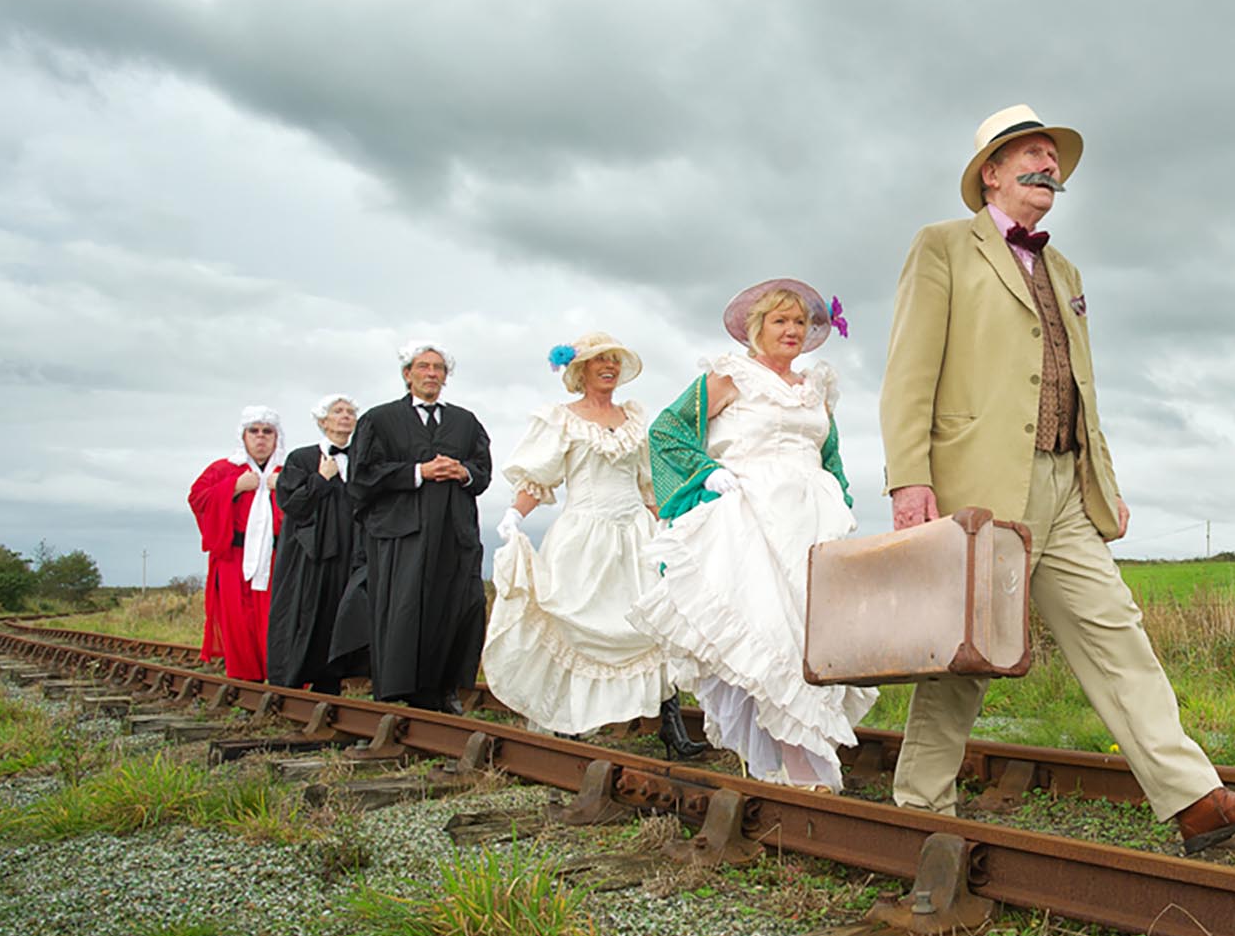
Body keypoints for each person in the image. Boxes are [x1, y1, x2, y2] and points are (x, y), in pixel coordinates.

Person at [880, 104, 1235, 854]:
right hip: (978, 486)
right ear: (991, 174)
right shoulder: (941, 247)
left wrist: (1105, 477)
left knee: (1116, 636)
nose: (1047, 166)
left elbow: (1080, 384)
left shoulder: (1064, 270)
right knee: (963, 662)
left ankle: (1195, 800)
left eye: (1053, 157)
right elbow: (909, 370)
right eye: (1029, 155)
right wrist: (909, 478)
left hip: (1066, 489)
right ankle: (921, 812)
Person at [629, 279, 868, 789]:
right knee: (770, 631)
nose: (791, 330)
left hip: (813, 519)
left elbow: (831, 455)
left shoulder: (817, 387)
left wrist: (842, 500)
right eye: (780, 321)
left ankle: (802, 760)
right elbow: (667, 431)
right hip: (752, 513)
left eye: (799, 322)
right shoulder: (730, 376)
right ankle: (802, 769)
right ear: (757, 328)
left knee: (815, 634)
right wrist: (707, 474)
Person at [483, 333, 697, 753]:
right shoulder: (560, 419)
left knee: (653, 620)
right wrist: (514, 515)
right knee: (577, 623)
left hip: (634, 531)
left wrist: (667, 525)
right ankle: (570, 725)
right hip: (584, 534)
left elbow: (647, 484)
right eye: (600, 361)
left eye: (614, 360)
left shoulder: (634, 418)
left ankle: (671, 725)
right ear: (580, 370)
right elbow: (538, 477)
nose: (609, 367)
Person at [348, 341, 492, 712]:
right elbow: (361, 477)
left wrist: (463, 472)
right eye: (424, 367)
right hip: (401, 535)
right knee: (403, 610)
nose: (432, 374)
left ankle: (447, 689)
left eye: (439, 368)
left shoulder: (465, 421)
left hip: (454, 532)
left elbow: (483, 472)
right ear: (407, 374)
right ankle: (397, 692)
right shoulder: (379, 420)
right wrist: (418, 472)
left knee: (458, 607)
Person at [266, 394, 367, 694]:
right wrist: (321, 479)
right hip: (312, 555)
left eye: (350, 412)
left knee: (343, 612)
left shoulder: (362, 460)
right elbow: (292, 504)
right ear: (323, 421)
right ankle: (291, 680)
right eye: (338, 411)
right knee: (307, 611)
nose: (345, 416)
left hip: (352, 550)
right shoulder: (301, 459)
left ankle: (333, 680)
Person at [188, 406, 285, 680]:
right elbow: (197, 498)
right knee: (238, 619)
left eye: (267, 431)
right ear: (243, 436)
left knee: (274, 617)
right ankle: (245, 677)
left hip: (277, 556)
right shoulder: (224, 469)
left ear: (276, 438)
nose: (261, 437)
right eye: (254, 431)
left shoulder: (287, 470)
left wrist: (286, 488)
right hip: (234, 557)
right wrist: (234, 487)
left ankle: (279, 674)